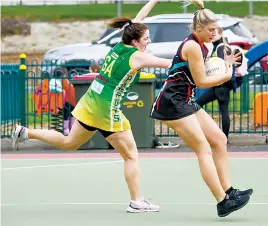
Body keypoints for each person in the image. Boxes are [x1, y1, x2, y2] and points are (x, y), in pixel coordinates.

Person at [11, 0, 172, 213]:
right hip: (106, 108)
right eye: (145, 39)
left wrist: (154, 0)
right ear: (134, 41)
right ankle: (136, 201)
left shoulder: (121, 43)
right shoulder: (138, 56)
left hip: (92, 99)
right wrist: (201, 59)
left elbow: (138, 20)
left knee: (69, 142)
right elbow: (171, 64)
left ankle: (26, 132)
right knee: (131, 155)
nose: (148, 41)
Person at [150, 0, 253, 217]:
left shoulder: (203, 45)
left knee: (219, 140)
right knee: (203, 148)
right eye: (211, 29)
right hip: (172, 102)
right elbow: (203, 82)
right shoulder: (193, 46)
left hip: (185, 99)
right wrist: (227, 71)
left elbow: (201, 75)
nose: (215, 32)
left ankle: (229, 191)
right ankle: (222, 201)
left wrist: (224, 64)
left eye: (216, 28)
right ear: (198, 29)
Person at [196, 27, 247, 142]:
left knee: (222, 110)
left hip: (221, 85)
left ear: (221, 35)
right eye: (211, 33)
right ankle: (220, 136)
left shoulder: (221, 48)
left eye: (215, 34)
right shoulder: (221, 46)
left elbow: (220, 67)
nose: (212, 35)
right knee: (198, 104)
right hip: (220, 85)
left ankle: (224, 138)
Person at [50, 67, 75, 135]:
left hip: (64, 102)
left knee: (70, 111)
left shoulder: (59, 81)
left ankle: (69, 128)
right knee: (68, 112)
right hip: (62, 102)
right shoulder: (62, 82)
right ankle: (67, 128)